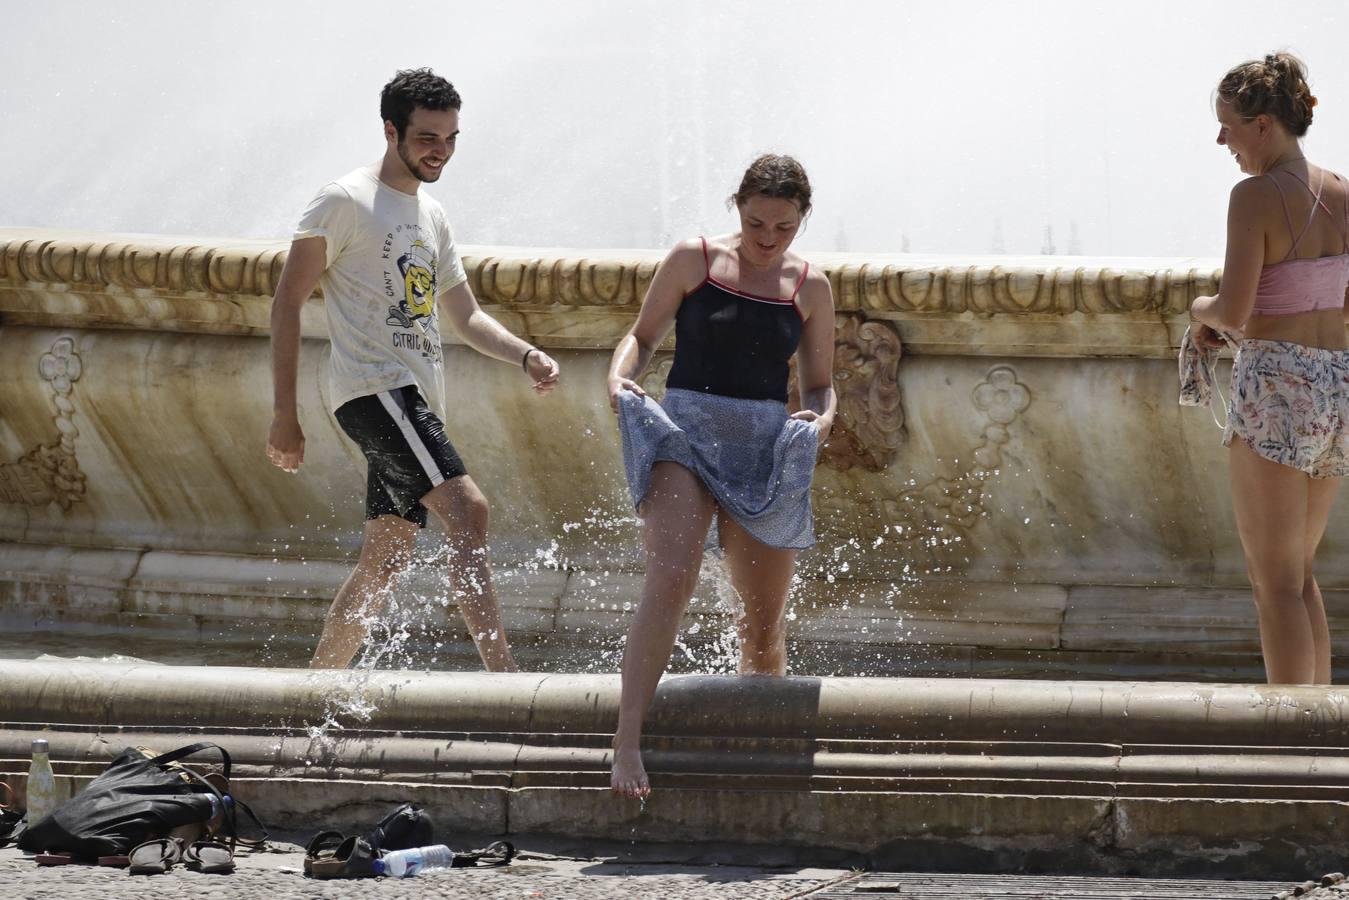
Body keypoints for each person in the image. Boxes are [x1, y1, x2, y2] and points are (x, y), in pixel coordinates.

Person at [266, 68, 559, 672]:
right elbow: (286, 302)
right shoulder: (342, 201)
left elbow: (465, 316)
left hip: (414, 399)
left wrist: (524, 354)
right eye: (427, 137)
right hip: (374, 389)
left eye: (450, 138)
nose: (441, 151)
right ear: (390, 130)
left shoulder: (433, 216)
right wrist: (283, 415)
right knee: (469, 509)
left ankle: (312, 692)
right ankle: (504, 682)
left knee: (387, 557)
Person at [606, 154, 836, 797]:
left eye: (784, 228)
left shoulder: (810, 287)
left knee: (762, 625)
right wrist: (621, 376)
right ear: (737, 206)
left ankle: (757, 760)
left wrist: (818, 422)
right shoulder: (693, 259)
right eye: (758, 222)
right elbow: (642, 337)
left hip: (765, 447)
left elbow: (819, 386)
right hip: (684, 433)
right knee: (671, 576)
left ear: (801, 221)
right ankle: (626, 741)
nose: (768, 239)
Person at [1190, 53, 1348, 685]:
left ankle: (1286, 741)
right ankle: (1326, 728)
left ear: (1262, 125)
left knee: (1273, 583)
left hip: (1277, 388)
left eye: (1228, 125)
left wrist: (1195, 309)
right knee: (1300, 576)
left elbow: (1231, 308)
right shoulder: (1342, 191)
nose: (1221, 139)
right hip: (1336, 388)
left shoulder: (1253, 196)